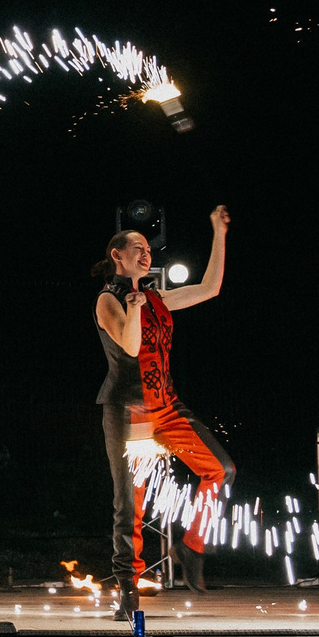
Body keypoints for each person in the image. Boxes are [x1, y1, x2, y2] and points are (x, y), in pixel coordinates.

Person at [94, 208, 235, 609]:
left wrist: (217, 233)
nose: (144, 253)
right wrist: (135, 306)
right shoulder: (108, 299)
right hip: (130, 411)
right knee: (131, 503)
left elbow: (210, 288)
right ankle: (128, 587)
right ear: (116, 255)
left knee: (220, 469)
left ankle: (191, 547)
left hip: (167, 407)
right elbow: (132, 347)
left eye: (146, 248)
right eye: (135, 247)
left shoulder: (156, 297)